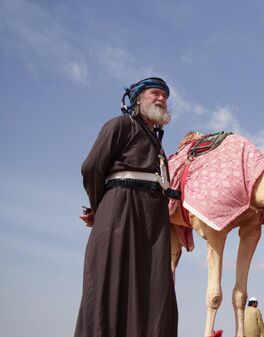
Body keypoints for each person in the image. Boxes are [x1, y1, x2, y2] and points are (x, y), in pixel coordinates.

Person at [75, 77, 178, 337]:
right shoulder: (120, 125)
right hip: (121, 208)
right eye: (155, 93)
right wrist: (99, 209)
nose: (162, 99)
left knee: (154, 285)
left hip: (153, 216)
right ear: (137, 99)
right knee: (112, 279)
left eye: (165, 96)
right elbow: (92, 167)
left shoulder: (156, 142)